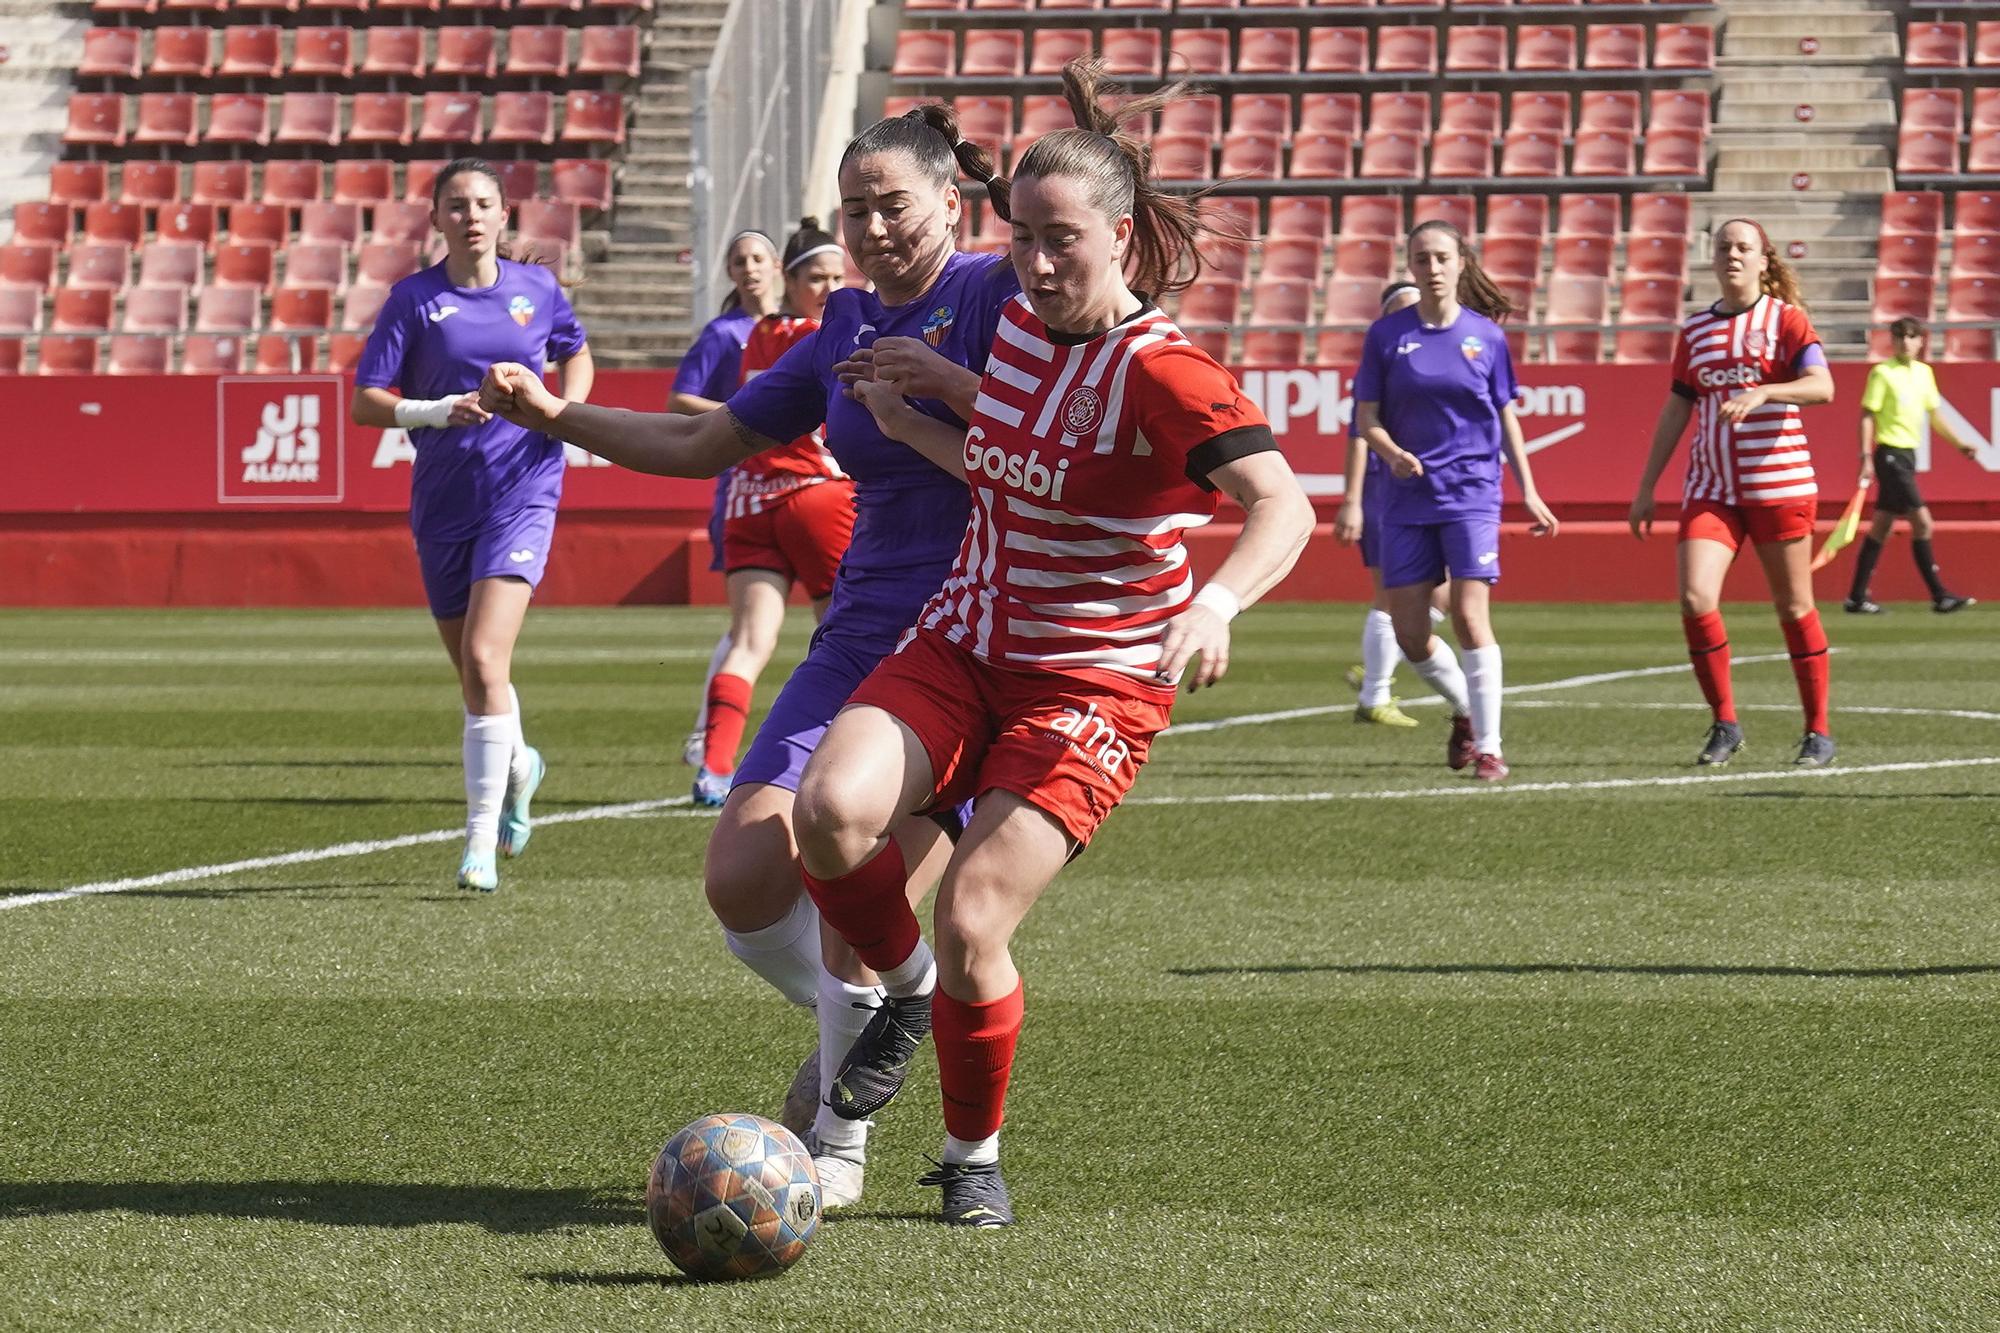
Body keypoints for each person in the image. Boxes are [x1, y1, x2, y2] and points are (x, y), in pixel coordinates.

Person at [789, 57, 1315, 1228]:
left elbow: (1284, 504)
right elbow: (1009, 466)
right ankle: (904, 997)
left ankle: (970, 1154)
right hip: (963, 640)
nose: (1033, 264)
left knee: (975, 915)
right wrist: (910, 407)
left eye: (1060, 238)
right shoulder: (1021, 332)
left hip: (1090, 680)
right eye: (1019, 236)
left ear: (1121, 238)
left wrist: (1216, 603)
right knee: (824, 815)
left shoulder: (1166, 370)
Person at [479, 105, 1020, 1209]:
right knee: (741, 877)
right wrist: (553, 414)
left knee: (844, 870)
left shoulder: (1002, 294)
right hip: (862, 625)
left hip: (977, 628)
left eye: (893, 205)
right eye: (854, 207)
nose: (870, 228)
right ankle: (883, 1015)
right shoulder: (844, 326)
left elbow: (1065, 437)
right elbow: (702, 440)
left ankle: (839, 1128)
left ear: (950, 207)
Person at [349, 158, 593, 893]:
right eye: (457, 205)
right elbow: (366, 400)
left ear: (503, 214)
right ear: (437, 219)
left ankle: (479, 841)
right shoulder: (414, 300)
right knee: (474, 673)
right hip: (444, 499)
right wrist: (435, 410)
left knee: (487, 660)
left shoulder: (537, 290)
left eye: (484, 203)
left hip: (523, 489)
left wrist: (563, 415)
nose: (472, 215)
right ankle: (521, 765)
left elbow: (575, 354)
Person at [1353, 222, 1558, 783]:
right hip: (1405, 498)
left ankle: (1490, 749)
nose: (1433, 267)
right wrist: (1391, 452)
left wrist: (1530, 490)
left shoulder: (1486, 337)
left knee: (1470, 616)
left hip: (1472, 493)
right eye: (1423, 259)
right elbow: (1365, 418)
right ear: (1412, 266)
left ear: (1461, 263)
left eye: (1442, 257)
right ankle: (1466, 711)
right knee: (1411, 633)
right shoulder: (1386, 336)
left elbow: (1505, 415)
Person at [1629, 218, 1837, 768]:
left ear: (1764, 260)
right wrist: (1647, 485)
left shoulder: (1786, 320)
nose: (1733, 255)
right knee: (1696, 597)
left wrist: (1766, 390)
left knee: (1793, 606)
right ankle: (1725, 723)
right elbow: (1678, 406)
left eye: (1744, 247)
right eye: (1724, 247)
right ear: (1712, 258)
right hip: (1712, 487)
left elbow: (1823, 386)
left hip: (1780, 485)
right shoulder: (1695, 330)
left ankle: (1818, 730)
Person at [694, 219, 857, 806]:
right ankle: (843, 761)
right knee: (845, 638)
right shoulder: (834, 334)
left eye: (838, 276)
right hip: (816, 495)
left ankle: (714, 765)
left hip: (749, 501)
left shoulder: (757, 334)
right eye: (818, 277)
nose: (832, 288)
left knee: (749, 641)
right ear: (791, 280)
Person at [671, 230, 783, 768]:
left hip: (811, 490)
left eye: (758, 258)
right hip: (747, 495)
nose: (750, 268)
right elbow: (679, 398)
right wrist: (739, 416)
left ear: (776, 265)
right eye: (739, 261)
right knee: (747, 629)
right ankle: (706, 737)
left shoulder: (794, 328)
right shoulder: (724, 334)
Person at [1335, 279, 1456, 728]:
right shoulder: (1382, 366)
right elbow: (1359, 438)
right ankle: (1375, 692)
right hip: (1385, 495)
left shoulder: (1430, 363)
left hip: (1423, 493)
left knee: (1438, 593)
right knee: (1392, 593)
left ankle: (1383, 661)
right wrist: (1352, 502)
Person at [1845, 317, 1977, 615]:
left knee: (1881, 526)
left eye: (1912, 336)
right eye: (1900, 336)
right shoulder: (1882, 373)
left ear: (1921, 341)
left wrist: (1960, 444)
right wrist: (1865, 456)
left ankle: (1856, 597)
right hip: (1889, 454)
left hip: (1907, 456)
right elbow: (1868, 415)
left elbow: (1936, 417)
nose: (1906, 342)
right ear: (1891, 341)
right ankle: (1939, 594)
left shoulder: (1924, 374)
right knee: (1923, 522)